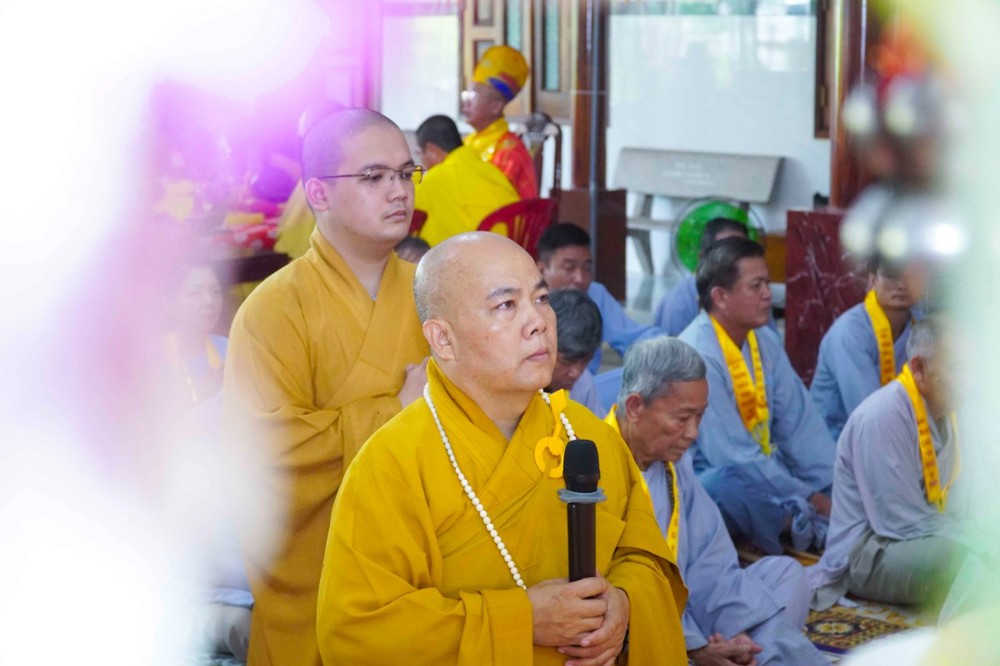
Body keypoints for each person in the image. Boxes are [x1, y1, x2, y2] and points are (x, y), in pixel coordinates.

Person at [317, 232, 688, 665]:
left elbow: (644, 558)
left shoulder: (588, 438)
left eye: (542, 299)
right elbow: (357, 631)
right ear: (443, 339)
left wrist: (623, 605)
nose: (539, 321)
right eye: (506, 305)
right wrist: (521, 620)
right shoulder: (391, 464)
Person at [222, 109, 430, 666]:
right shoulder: (273, 310)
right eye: (374, 176)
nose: (399, 191)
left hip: (424, 572)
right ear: (318, 193)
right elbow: (265, 451)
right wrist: (394, 411)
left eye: (405, 173)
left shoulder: (433, 294)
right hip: (317, 579)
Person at [608, 336, 826, 666]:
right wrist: (693, 646)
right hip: (642, 630)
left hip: (696, 614)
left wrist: (733, 637)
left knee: (786, 575)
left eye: (699, 418)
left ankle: (746, 652)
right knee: (772, 636)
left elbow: (712, 563)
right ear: (636, 407)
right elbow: (617, 591)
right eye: (682, 418)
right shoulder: (599, 468)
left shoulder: (673, 464)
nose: (693, 433)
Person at [679, 237, 835, 555]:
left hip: (765, 469)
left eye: (767, 282)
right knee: (724, 488)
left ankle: (797, 519)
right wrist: (810, 497)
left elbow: (800, 425)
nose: (768, 294)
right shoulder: (698, 354)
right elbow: (730, 455)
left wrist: (831, 485)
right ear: (720, 297)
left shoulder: (764, 340)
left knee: (840, 481)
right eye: (756, 286)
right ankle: (795, 523)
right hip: (714, 475)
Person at [809, 318, 966, 611]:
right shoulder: (883, 416)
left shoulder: (953, 411)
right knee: (966, 560)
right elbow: (900, 521)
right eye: (959, 368)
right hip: (871, 550)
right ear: (918, 368)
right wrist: (976, 538)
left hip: (928, 534)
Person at [810, 256, 918, 440]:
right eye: (891, 275)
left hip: (897, 432)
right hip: (837, 439)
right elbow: (867, 413)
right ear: (872, 280)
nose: (901, 285)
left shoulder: (920, 325)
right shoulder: (850, 332)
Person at [536, 223, 663, 373]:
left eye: (586, 268)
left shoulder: (595, 293)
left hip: (587, 382)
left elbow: (633, 336)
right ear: (542, 270)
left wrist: (668, 348)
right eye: (569, 268)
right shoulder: (524, 303)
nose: (580, 278)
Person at [414, 114, 519, 246]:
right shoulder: (491, 171)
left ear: (431, 151)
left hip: (473, 253)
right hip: (511, 249)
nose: (421, 161)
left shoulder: (435, 179)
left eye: (420, 154)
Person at [461, 45, 538, 199]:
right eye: (467, 95)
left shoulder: (509, 153)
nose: (466, 103)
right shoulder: (466, 143)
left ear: (496, 106)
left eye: (473, 96)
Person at [653, 218, 750, 335]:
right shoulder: (680, 305)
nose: (736, 262)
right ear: (703, 258)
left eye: (742, 253)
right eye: (726, 255)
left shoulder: (756, 295)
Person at [547, 289, 604, 415]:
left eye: (585, 362)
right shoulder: (512, 387)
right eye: (567, 361)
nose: (576, 373)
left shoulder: (583, 385)